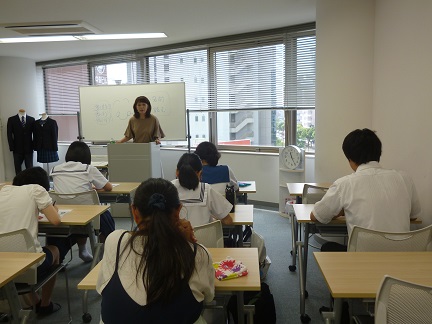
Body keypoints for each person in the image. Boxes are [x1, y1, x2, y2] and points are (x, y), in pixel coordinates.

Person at [96, 178, 214, 324]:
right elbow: (209, 296)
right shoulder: (198, 254)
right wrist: (185, 243)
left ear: (135, 212)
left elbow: (101, 287)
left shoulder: (115, 240)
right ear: (178, 211)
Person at [310, 128, 421, 251]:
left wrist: (341, 212)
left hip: (363, 259)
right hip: (401, 257)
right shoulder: (404, 178)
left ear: (350, 158)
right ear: (378, 153)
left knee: (327, 247)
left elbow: (316, 216)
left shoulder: (344, 184)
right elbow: (414, 216)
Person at [0, 167, 62, 315]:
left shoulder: (3, 190)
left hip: (3, 265)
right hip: (27, 267)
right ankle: (45, 306)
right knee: (55, 250)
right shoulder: (36, 190)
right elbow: (55, 220)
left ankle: (32, 300)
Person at [50, 141, 115, 262]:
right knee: (106, 217)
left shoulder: (55, 169)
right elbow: (109, 187)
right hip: (89, 214)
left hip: (65, 214)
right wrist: (94, 189)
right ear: (87, 156)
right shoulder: (88, 168)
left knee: (79, 220)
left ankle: (82, 251)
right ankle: (104, 256)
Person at [172, 153, 233, 227]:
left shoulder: (168, 189)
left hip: (175, 238)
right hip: (203, 238)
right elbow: (228, 221)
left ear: (177, 172)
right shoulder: (206, 189)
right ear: (200, 173)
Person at [7, 109, 35, 175]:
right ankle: (19, 183)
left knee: (30, 169)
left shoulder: (31, 119)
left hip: (29, 148)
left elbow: (35, 134)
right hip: (17, 149)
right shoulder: (11, 119)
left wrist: (34, 146)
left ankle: (30, 183)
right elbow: (9, 134)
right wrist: (11, 147)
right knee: (17, 169)